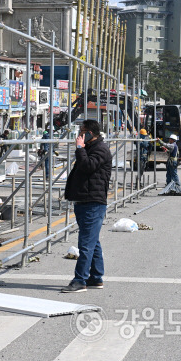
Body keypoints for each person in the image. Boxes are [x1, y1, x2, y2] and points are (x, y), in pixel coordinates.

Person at [62, 119, 112, 292]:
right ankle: (96, 278)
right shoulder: (92, 148)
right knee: (92, 241)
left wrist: (80, 149)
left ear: (91, 132)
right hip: (84, 201)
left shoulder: (100, 149)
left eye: (82, 131)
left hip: (93, 203)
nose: (79, 134)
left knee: (85, 244)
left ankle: (80, 280)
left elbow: (87, 166)